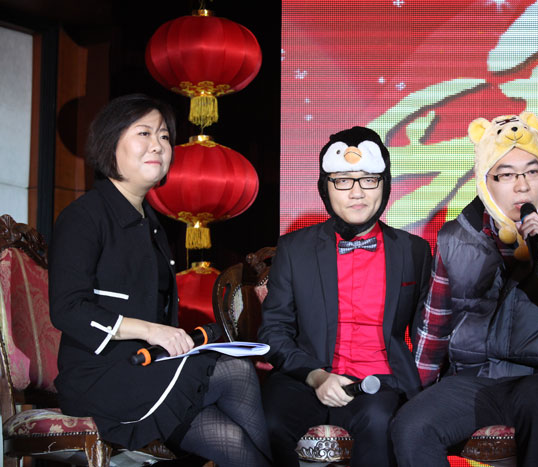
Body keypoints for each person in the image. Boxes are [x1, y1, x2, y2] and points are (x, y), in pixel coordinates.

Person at [49, 94, 271, 466]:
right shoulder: (84, 217)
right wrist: (153, 331)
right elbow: (67, 309)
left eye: (165, 136)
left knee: (233, 441)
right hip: (102, 379)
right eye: (144, 133)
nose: (158, 145)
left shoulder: (151, 225)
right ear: (110, 143)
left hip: (152, 371)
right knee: (235, 371)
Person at [391, 111, 538, 467]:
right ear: (484, 181)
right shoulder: (455, 237)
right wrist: (415, 398)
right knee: (411, 426)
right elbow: (434, 331)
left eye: (532, 172)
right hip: (475, 379)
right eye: (506, 175)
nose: (522, 186)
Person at [257, 126, 432, 467]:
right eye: (343, 181)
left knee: (381, 424)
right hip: (307, 376)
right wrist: (316, 376)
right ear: (325, 187)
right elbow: (274, 331)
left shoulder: (414, 251)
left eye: (368, 179)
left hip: (380, 382)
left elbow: (430, 335)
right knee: (269, 423)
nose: (357, 192)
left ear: (385, 184)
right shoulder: (294, 248)